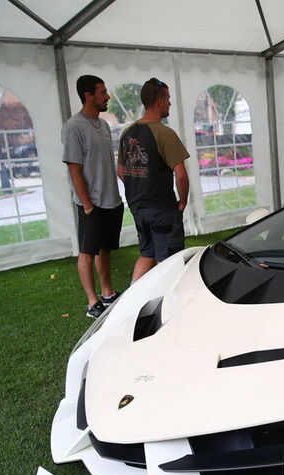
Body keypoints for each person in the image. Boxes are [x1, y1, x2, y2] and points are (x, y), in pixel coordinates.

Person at [61, 74, 124, 319]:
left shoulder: (105, 125)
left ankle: (107, 293)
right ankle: (92, 302)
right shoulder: (74, 127)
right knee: (87, 252)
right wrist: (86, 203)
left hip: (111, 199)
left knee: (105, 249)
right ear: (88, 96)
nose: (107, 96)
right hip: (91, 204)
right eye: (102, 92)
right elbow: (74, 168)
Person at [117, 77, 190, 282]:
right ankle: (169, 305)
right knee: (171, 262)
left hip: (137, 207)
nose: (169, 103)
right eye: (167, 99)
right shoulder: (164, 133)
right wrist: (183, 202)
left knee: (147, 254)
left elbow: (120, 170)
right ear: (159, 102)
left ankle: (131, 302)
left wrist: (139, 187)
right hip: (162, 209)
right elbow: (181, 175)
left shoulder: (127, 133)